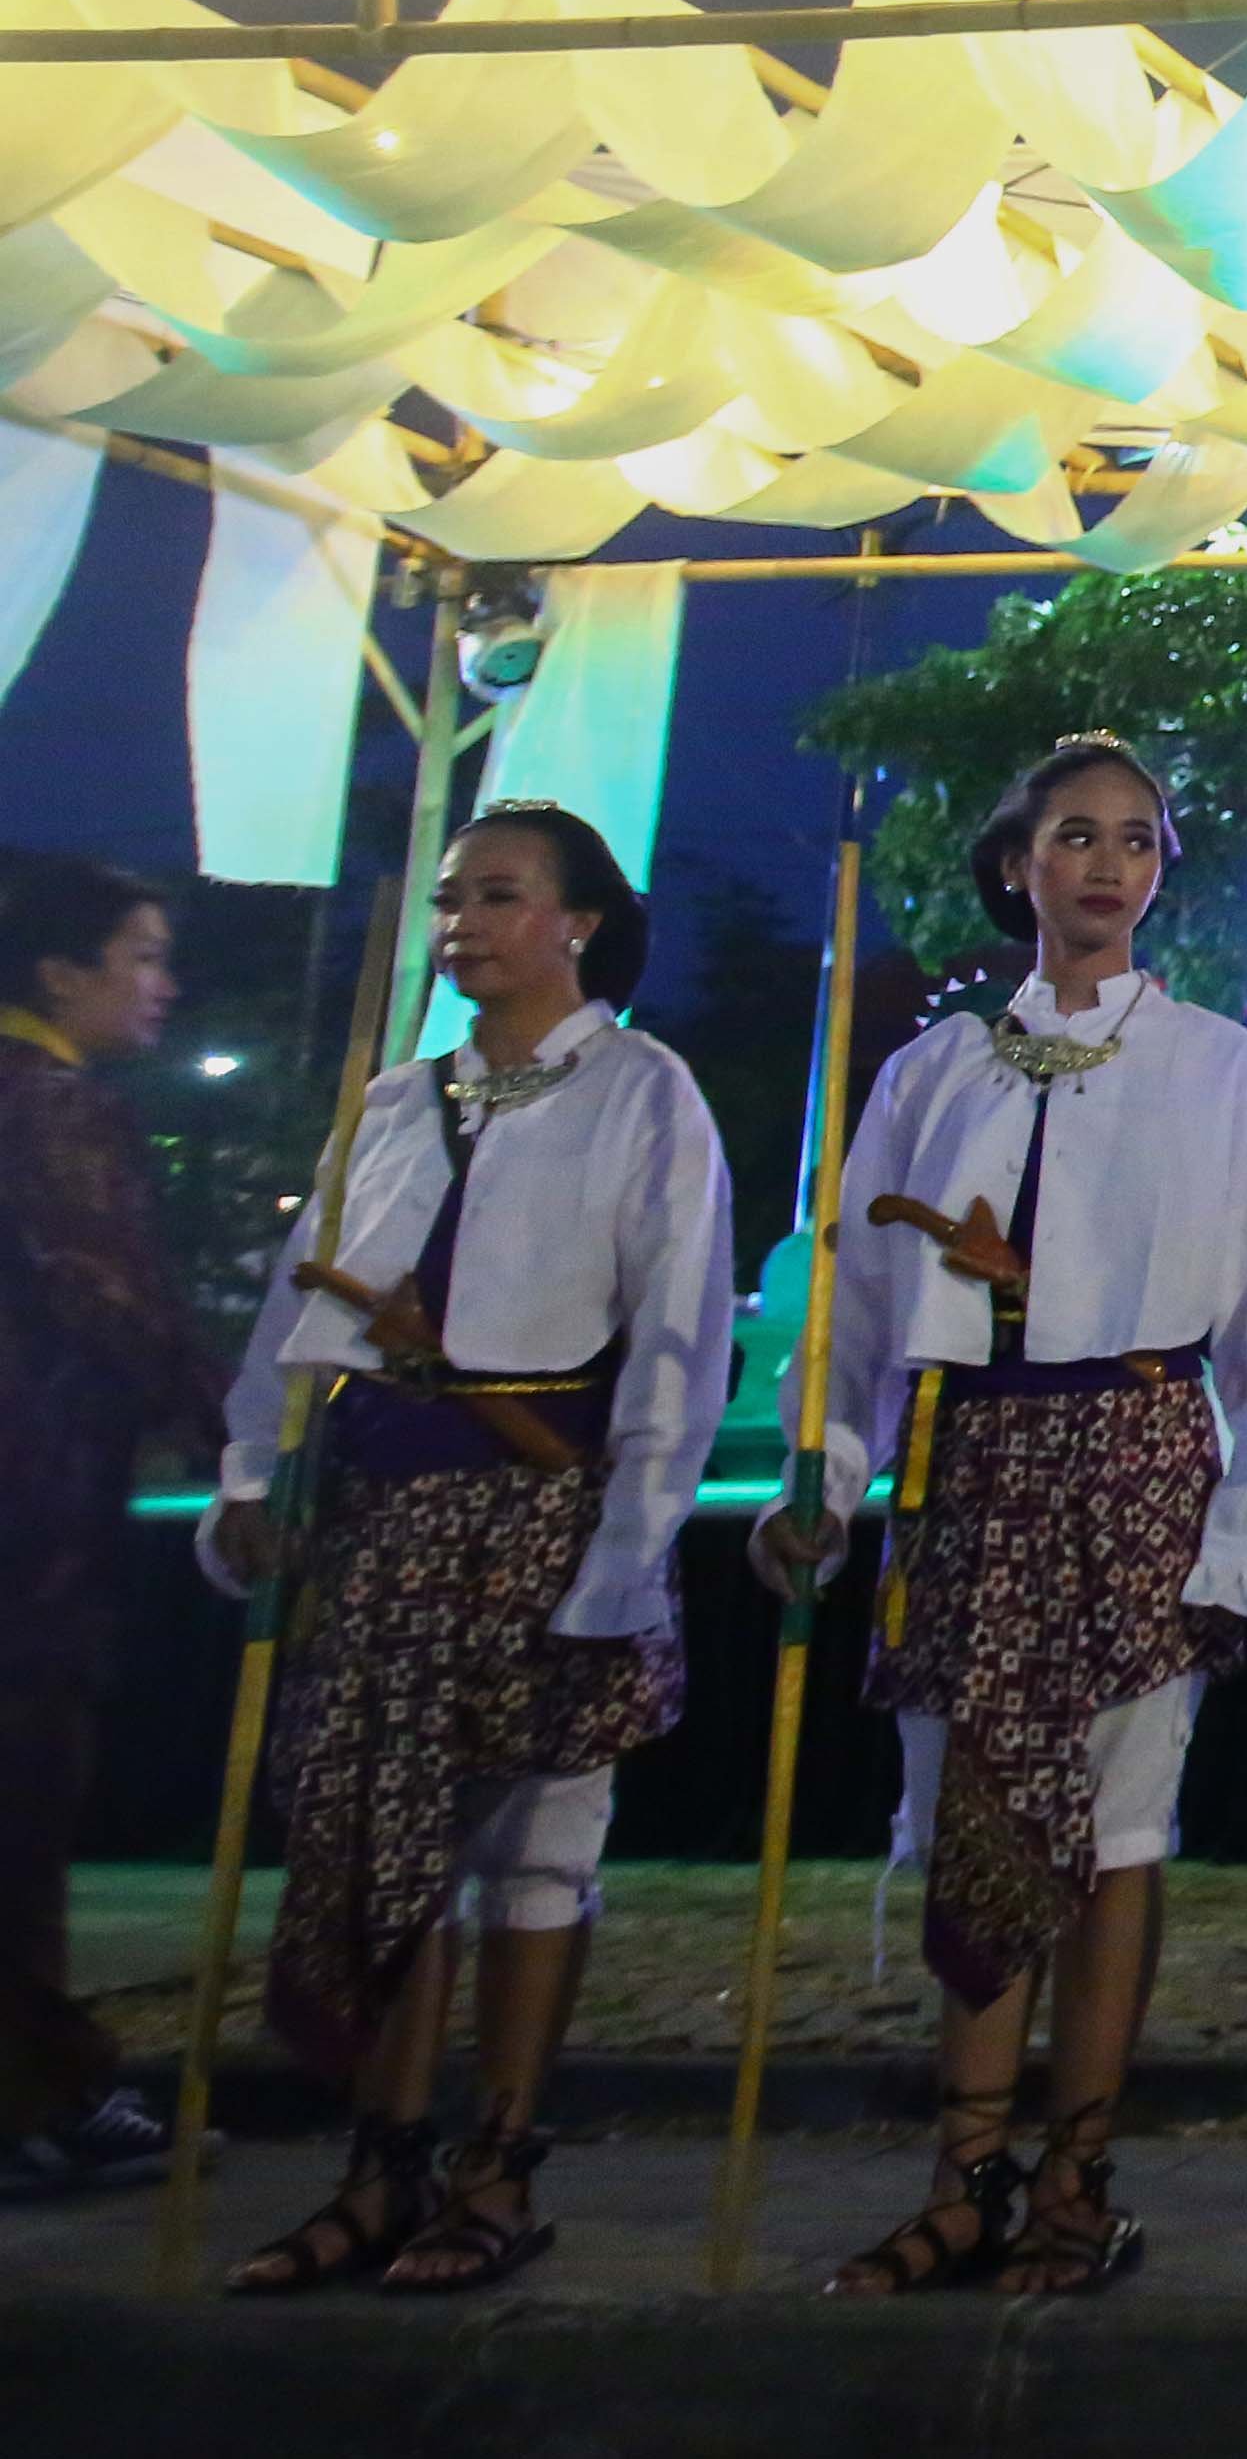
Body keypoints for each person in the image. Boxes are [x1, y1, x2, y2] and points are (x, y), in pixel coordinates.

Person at [765, 737, 1247, 2295]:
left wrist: (1245, 1535)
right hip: (963, 1471)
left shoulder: (1221, 1068)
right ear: (1018, 863)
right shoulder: (931, 1073)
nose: (1104, 864)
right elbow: (861, 1318)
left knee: (1118, 1828)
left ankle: (1076, 2178)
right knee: (969, 1827)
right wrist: (821, 1480)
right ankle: (962, 2174)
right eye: (1073, 835)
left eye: (1135, 839)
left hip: (1136, 1450)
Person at [207, 806, 732, 2291]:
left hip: (541, 1509)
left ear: (576, 922)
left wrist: (630, 1544)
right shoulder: (388, 1103)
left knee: (536, 1844)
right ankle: (381, 2163)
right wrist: (258, 1461)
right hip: (380, 1519)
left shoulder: (643, 1094)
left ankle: (498, 2162)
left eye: (499, 895)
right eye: (450, 899)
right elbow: (298, 1296)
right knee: (384, 1843)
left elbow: (678, 1337)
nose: (462, 924)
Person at [0, 861, 217, 2200]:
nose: (163, 982)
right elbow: (105, 1287)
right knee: (20, 1801)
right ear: (57, 972)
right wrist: (225, 1420)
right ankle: (38, 2091)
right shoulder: (53, 1105)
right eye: (140, 955)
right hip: (32, 1519)